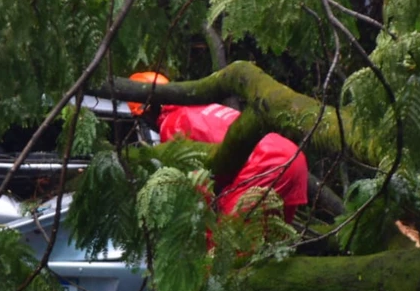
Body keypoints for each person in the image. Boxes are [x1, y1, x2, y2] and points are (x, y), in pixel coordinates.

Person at [127, 72, 309, 222]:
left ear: (148, 110)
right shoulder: (202, 105)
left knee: (226, 243)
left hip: (266, 165)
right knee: (275, 245)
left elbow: (199, 184)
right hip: (293, 156)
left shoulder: (172, 125)